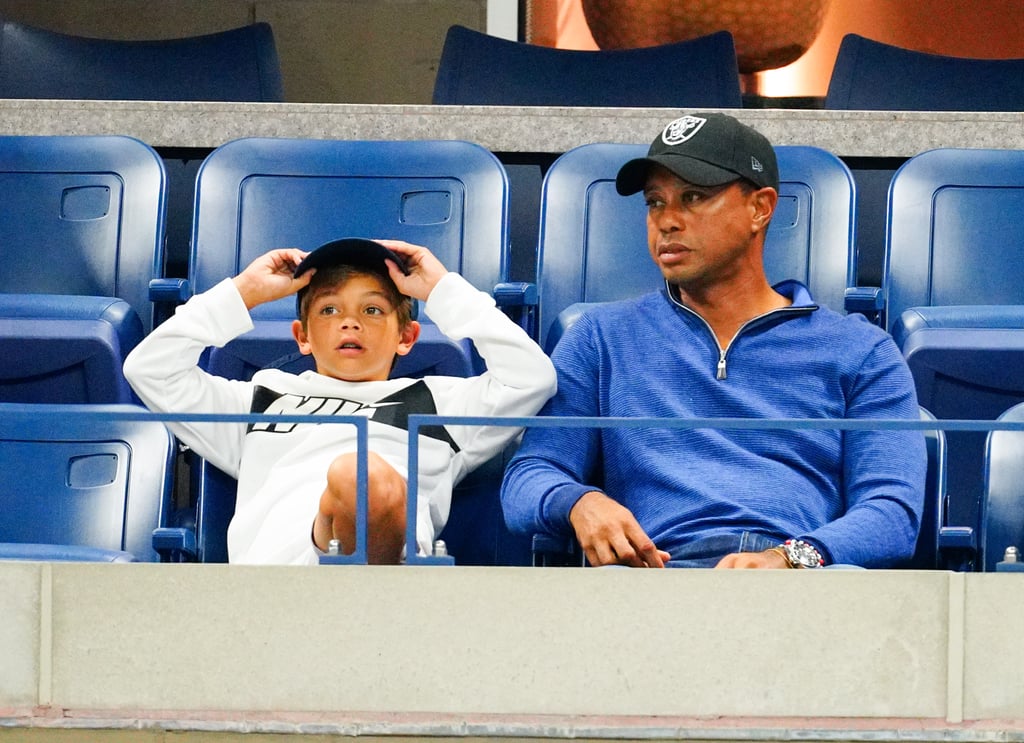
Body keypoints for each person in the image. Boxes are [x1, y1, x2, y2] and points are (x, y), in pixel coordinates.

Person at [500, 112, 926, 570]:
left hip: (800, 584)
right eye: (655, 202)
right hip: (655, 582)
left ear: (760, 208)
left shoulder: (861, 351)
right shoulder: (600, 337)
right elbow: (527, 478)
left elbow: (891, 512)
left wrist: (792, 558)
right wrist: (579, 502)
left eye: (694, 197)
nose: (667, 221)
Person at [124, 237, 556, 565]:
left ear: (406, 337)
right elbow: (149, 369)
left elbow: (530, 379)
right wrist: (243, 292)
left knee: (360, 474)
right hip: (274, 585)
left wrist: (443, 289)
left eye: (372, 311)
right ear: (302, 336)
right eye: (329, 311)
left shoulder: (440, 402)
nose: (350, 322)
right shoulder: (263, 394)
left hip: (393, 581)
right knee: (355, 473)